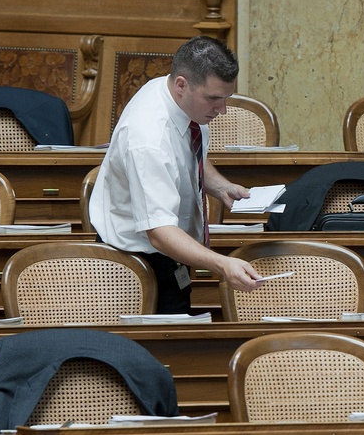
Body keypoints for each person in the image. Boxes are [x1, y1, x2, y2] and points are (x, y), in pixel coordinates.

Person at [90, 36, 262, 312]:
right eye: (214, 99)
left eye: (226, 98)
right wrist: (222, 264)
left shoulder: (175, 95)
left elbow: (185, 156)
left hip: (171, 255)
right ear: (182, 84)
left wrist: (220, 187)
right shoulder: (148, 138)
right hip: (137, 266)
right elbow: (159, 232)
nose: (222, 110)